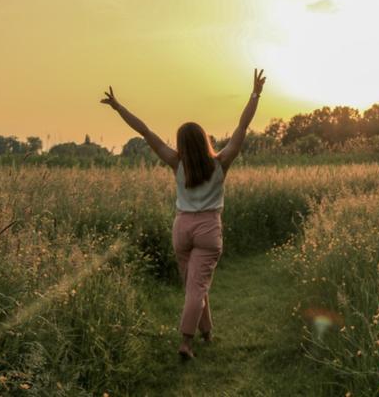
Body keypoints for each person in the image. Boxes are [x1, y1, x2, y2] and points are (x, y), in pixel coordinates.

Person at [100, 69, 266, 359]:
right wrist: (255, 94)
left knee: (194, 285)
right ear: (204, 140)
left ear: (181, 143)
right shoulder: (221, 163)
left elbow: (145, 132)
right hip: (207, 230)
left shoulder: (175, 162)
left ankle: (207, 332)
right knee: (196, 288)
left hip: (182, 230)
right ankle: (186, 343)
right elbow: (242, 127)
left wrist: (118, 107)